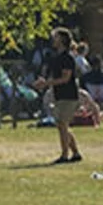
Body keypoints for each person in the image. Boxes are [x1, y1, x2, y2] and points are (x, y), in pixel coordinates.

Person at [32, 27, 82, 164]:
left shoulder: (68, 58)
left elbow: (66, 78)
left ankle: (65, 155)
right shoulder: (56, 57)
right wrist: (43, 81)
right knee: (61, 125)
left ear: (63, 40)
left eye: (56, 37)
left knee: (63, 124)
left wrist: (47, 83)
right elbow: (53, 75)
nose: (53, 39)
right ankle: (76, 153)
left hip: (69, 95)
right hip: (59, 95)